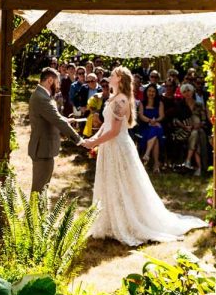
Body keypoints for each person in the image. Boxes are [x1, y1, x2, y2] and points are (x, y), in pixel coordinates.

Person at [83, 66, 207, 245]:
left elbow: (115, 131)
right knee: (109, 182)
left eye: (112, 75)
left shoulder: (122, 101)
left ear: (120, 80)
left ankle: (128, 221)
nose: (109, 77)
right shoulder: (112, 98)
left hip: (118, 147)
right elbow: (106, 125)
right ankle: (110, 221)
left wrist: (95, 142)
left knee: (125, 183)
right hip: (108, 147)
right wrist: (93, 139)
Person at [27, 67, 85, 193]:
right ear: (50, 80)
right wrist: (79, 140)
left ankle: (39, 213)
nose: (58, 86)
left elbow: (53, 117)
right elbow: (57, 121)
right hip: (42, 150)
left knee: (42, 189)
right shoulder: (41, 98)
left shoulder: (42, 95)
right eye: (57, 82)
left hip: (45, 149)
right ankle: (34, 213)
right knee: (38, 191)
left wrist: (65, 119)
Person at [181, 82, 209, 176]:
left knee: (197, 133)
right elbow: (176, 120)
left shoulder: (199, 104)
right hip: (185, 131)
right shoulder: (181, 105)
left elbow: (205, 120)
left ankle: (189, 161)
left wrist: (199, 125)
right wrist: (185, 126)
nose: (187, 93)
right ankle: (200, 167)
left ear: (192, 91)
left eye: (188, 90)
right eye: (184, 92)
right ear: (182, 94)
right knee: (196, 134)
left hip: (198, 129)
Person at [139, 82, 164, 173]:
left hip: (157, 124)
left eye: (153, 91)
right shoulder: (142, 103)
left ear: (156, 93)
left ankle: (147, 154)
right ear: (146, 92)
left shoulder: (159, 103)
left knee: (155, 129)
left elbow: (162, 116)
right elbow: (141, 115)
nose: (151, 93)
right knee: (156, 139)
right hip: (145, 126)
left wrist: (155, 121)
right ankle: (156, 164)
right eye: (149, 91)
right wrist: (150, 121)